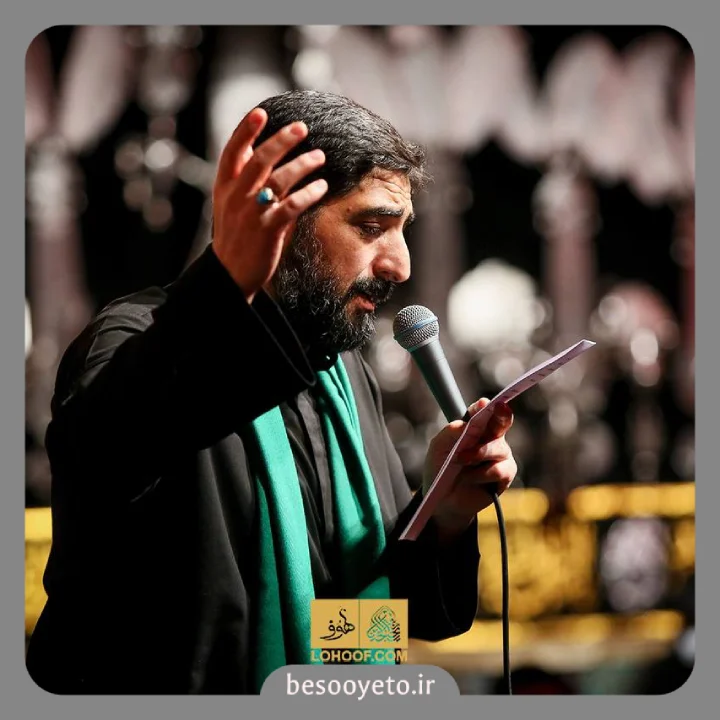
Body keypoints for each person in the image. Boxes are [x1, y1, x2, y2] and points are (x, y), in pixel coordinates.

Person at [25, 90, 517, 694]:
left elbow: (363, 621)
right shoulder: (139, 340)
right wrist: (225, 281)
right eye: (371, 227)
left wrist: (442, 514)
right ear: (283, 219)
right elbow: (108, 457)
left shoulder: (343, 373)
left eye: (401, 230)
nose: (400, 265)